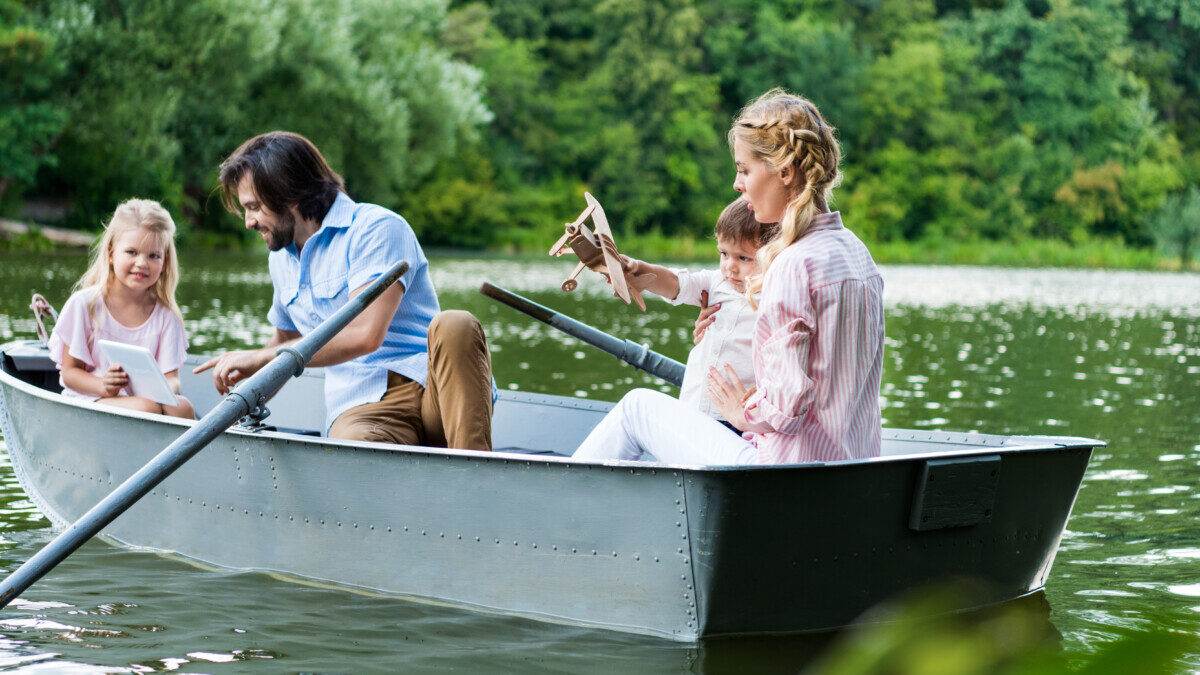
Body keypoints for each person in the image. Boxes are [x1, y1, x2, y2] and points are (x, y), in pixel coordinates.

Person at [574, 88, 885, 465]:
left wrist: (743, 412)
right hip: (851, 470)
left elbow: (787, 407)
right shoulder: (856, 254)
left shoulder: (791, 264)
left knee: (638, 407)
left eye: (744, 169)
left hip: (781, 473)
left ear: (785, 172)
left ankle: (547, 499)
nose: (737, 184)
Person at [193, 131, 493, 450]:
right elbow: (283, 342)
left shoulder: (376, 228)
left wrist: (259, 357)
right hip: (365, 409)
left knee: (455, 323)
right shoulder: (280, 259)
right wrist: (243, 398)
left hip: (438, 395)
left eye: (254, 207)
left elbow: (365, 334)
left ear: (288, 194)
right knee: (354, 445)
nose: (248, 222)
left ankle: (476, 474)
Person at [615, 198, 777, 426]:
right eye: (724, 254)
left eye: (743, 258)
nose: (730, 266)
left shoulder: (775, 297)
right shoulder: (716, 283)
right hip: (693, 408)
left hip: (737, 419)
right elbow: (676, 283)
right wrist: (639, 270)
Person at [48, 199, 196, 419]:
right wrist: (103, 385)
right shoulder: (85, 305)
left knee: (182, 407)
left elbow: (171, 377)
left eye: (153, 255)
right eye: (132, 252)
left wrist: (165, 389)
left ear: (164, 263)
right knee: (148, 409)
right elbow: (69, 373)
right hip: (93, 397)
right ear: (111, 253)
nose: (142, 263)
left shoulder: (166, 316)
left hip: (145, 399)